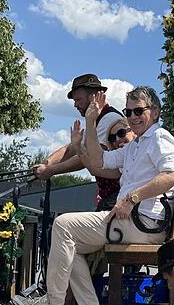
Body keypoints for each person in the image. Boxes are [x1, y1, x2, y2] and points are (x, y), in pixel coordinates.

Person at [15, 86, 174, 305]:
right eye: (129, 111)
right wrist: (91, 123)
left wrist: (131, 198)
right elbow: (98, 163)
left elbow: (172, 176)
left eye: (139, 110)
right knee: (69, 246)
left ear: (155, 112)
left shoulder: (159, 138)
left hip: (142, 223)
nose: (133, 116)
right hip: (131, 221)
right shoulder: (135, 146)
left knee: (63, 226)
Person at [32, 73, 124, 212]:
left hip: (117, 196)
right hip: (110, 197)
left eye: (78, 100)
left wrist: (50, 171)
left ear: (93, 97)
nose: (75, 104)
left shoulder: (108, 119)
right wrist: (46, 163)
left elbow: (88, 159)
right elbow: (72, 148)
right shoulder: (95, 120)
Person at [71, 116, 136, 210]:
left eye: (121, 133)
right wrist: (78, 147)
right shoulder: (122, 158)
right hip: (120, 205)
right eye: (112, 138)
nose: (117, 139)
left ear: (133, 131)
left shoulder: (149, 145)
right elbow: (95, 168)